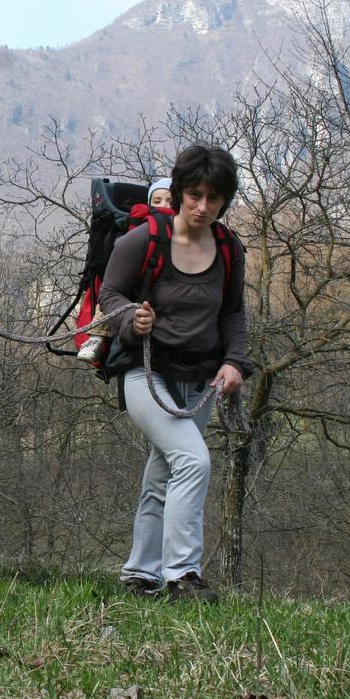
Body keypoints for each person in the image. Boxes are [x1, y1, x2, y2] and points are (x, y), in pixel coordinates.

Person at [97, 147, 252, 603]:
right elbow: (111, 294)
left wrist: (235, 361)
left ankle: (140, 574)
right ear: (180, 191)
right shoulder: (142, 241)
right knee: (192, 460)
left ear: (225, 201)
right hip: (145, 372)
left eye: (214, 198)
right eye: (195, 194)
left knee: (165, 473)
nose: (203, 206)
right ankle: (183, 575)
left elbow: (233, 312)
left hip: (200, 379)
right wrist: (131, 321)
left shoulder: (228, 248)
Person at [76, 179, 174, 364]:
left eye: (170, 202)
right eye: (157, 201)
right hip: (134, 282)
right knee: (110, 299)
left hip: (159, 286)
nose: (164, 206)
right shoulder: (141, 225)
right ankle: (97, 337)